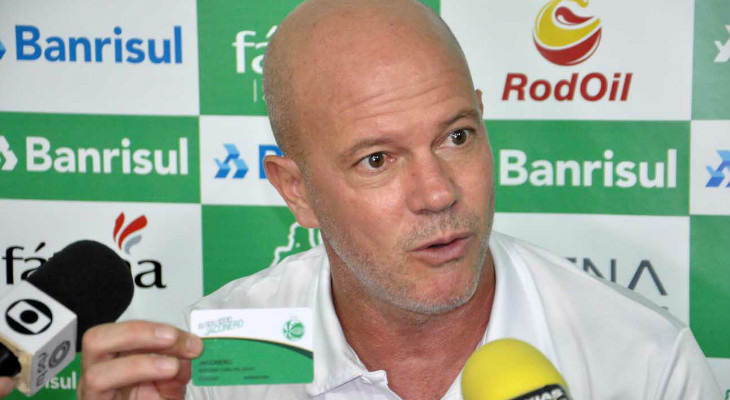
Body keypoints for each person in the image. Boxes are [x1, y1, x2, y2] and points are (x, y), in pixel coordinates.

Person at [77, 0, 722, 399]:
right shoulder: (217, 358)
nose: (438, 192)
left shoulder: (643, 362)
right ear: (297, 191)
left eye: (457, 136)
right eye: (377, 160)